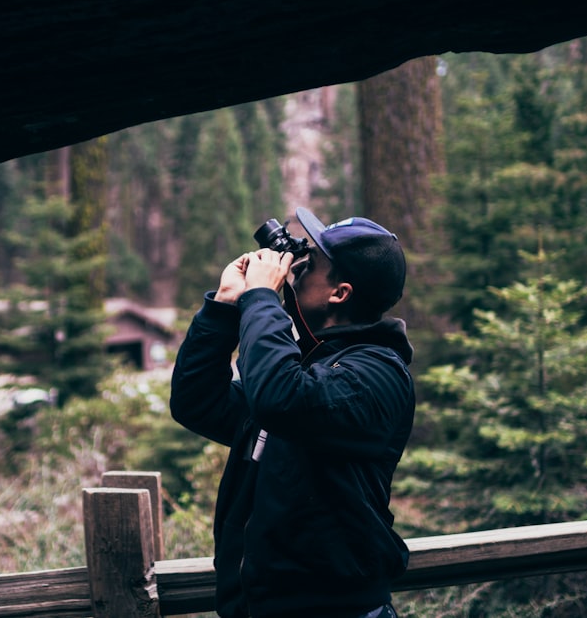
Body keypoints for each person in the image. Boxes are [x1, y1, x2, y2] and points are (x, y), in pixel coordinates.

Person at [170, 207, 415, 618]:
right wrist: (225, 307)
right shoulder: (301, 370)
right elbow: (197, 402)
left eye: (310, 263)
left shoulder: (378, 373)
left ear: (341, 293)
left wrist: (262, 297)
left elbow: (279, 399)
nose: (295, 268)